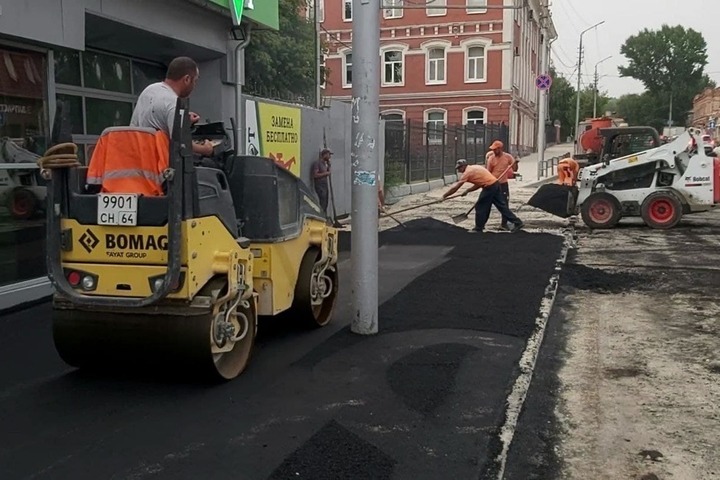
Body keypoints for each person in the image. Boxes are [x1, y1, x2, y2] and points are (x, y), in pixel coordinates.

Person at [130, 56, 213, 157]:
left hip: (136, 158)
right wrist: (205, 149)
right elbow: (182, 145)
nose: (194, 86)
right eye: (194, 81)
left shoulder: (150, 90)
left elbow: (156, 119)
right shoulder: (174, 103)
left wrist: (183, 119)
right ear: (186, 79)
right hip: (155, 165)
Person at [442, 159, 524, 233]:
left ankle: (478, 228)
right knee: (501, 206)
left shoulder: (467, 173)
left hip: (489, 187)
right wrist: (468, 190)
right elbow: (479, 183)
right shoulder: (475, 167)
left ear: (464, 166)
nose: (459, 171)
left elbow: (456, 187)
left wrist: (444, 196)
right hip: (495, 184)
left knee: (480, 206)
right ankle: (518, 222)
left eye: (459, 168)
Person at [485, 140, 518, 230]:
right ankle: (480, 224)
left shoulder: (507, 157)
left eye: (495, 149)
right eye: (493, 149)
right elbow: (488, 172)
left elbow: (514, 168)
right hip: (493, 184)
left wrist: (516, 163)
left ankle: (504, 224)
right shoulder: (491, 158)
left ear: (500, 149)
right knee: (486, 203)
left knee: (504, 204)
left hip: (503, 184)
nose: (494, 151)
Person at [311, 148, 332, 213]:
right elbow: (315, 175)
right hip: (320, 186)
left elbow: (329, 172)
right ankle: (322, 216)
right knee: (322, 202)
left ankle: (324, 216)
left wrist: (329, 166)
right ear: (325, 155)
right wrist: (326, 173)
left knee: (326, 202)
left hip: (324, 185)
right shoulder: (317, 163)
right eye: (329, 155)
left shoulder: (324, 164)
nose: (330, 157)